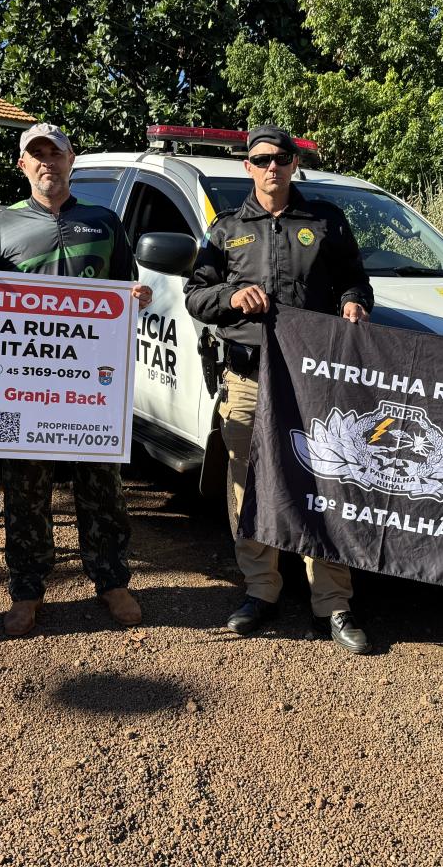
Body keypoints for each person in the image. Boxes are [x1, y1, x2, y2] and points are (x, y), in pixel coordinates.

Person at [184, 125, 375, 654]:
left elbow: (356, 281)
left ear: (294, 164)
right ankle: (260, 591)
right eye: (262, 159)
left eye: (282, 158)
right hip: (247, 377)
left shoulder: (326, 222)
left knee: (327, 481)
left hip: (315, 381)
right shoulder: (225, 230)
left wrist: (355, 302)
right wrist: (229, 294)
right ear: (248, 166)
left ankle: (332, 602)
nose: (273, 167)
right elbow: (195, 296)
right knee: (249, 484)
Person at [0, 123, 152, 637]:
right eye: (37, 154)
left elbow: (125, 289)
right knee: (25, 492)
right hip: (25, 388)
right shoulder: (1, 227)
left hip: (92, 387)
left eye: (57, 152)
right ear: (23, 165)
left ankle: (112, 580)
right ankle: (26, 590)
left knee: (104, 489)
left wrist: (137, 297)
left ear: (72, 161)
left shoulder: (104, 222)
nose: (48, 162)